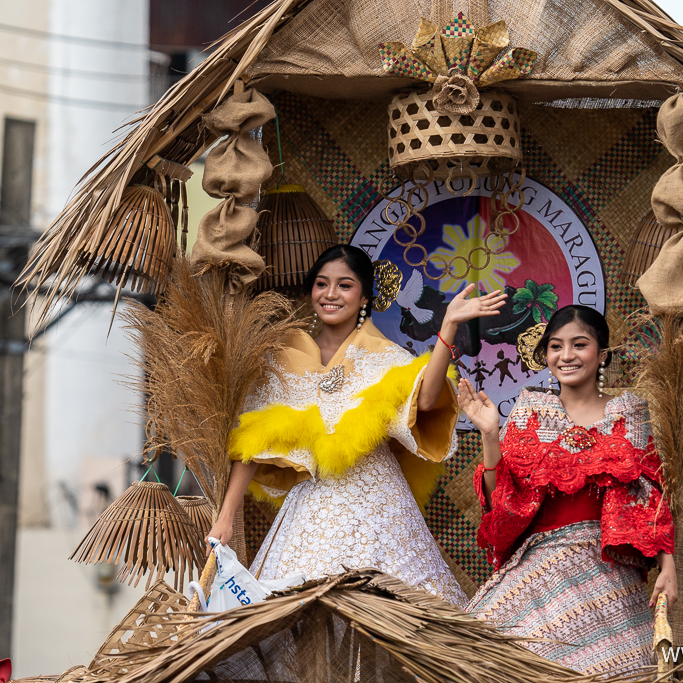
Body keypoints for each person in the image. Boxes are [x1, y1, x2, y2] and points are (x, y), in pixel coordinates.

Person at [207, 245, 506, 606]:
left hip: (380, 509)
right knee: (297, 614)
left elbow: (425, 402)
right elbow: (252, 442)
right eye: (321, 284)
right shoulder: (280, 357)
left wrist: (448, 327)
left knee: (392, 614)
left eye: (344, 285)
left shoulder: (385, 354)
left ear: (364, 296)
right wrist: (225, 518)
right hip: (311, 511)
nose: (330, 294)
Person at [458, 304, 677, 675]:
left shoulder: (631, 414)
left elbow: (652, 499)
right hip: (540, 569)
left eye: (579, 344)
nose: (566, 355)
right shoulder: (529, 411)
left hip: (609, 575)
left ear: (602, 354)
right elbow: (500, 502)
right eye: (556, 346)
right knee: (478, 658)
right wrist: (490, 435)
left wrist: (668, 567)